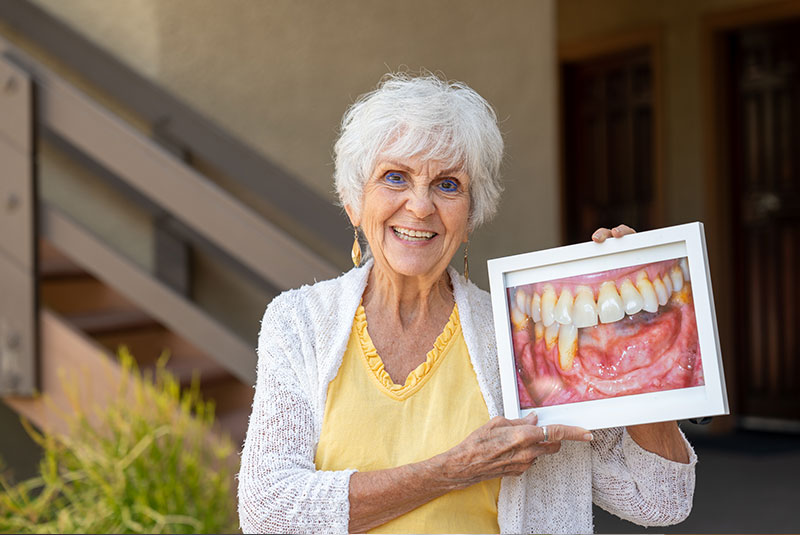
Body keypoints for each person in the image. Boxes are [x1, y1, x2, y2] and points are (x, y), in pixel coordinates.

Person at [237, 73, 696, 534]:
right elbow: (270, 510)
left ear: (471, 216)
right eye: (395, 178)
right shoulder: (299, 322)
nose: (420, 206)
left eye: (448, 184)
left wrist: (637, 335)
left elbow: (660, 499)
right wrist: (454, 468)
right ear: (354, 202)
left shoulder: (523, 335)